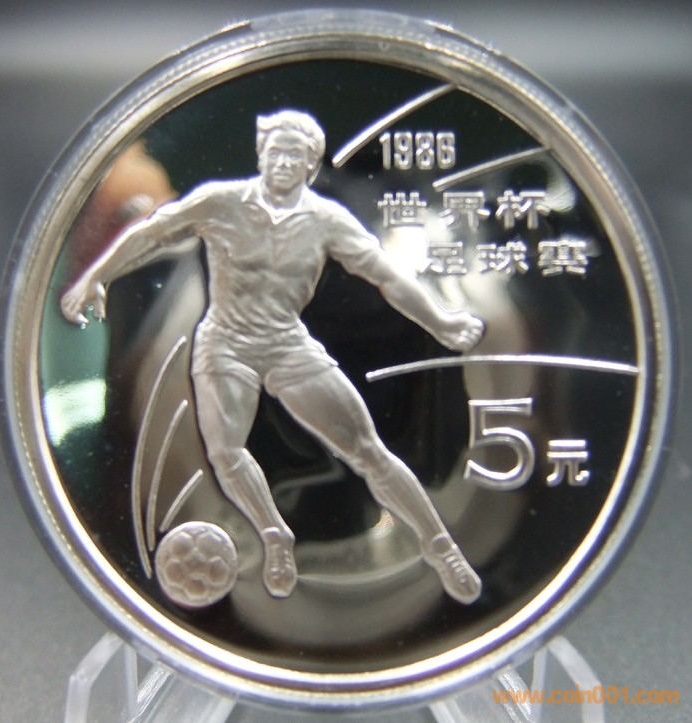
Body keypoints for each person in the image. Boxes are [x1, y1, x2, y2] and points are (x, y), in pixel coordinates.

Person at [61, 110, 485, 604]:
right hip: (225, 344)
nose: (283, 162)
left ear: (310, 165)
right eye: (276, 152)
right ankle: (274, 535)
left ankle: (442, 549)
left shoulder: (326, 220)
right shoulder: (221, 202)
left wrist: (441, 322)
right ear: (261, 155)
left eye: (295, 155)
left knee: (367, 449)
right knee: (225, 451)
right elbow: (152, 232)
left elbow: (387, 276)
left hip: (286, 344)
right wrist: (97, 275)